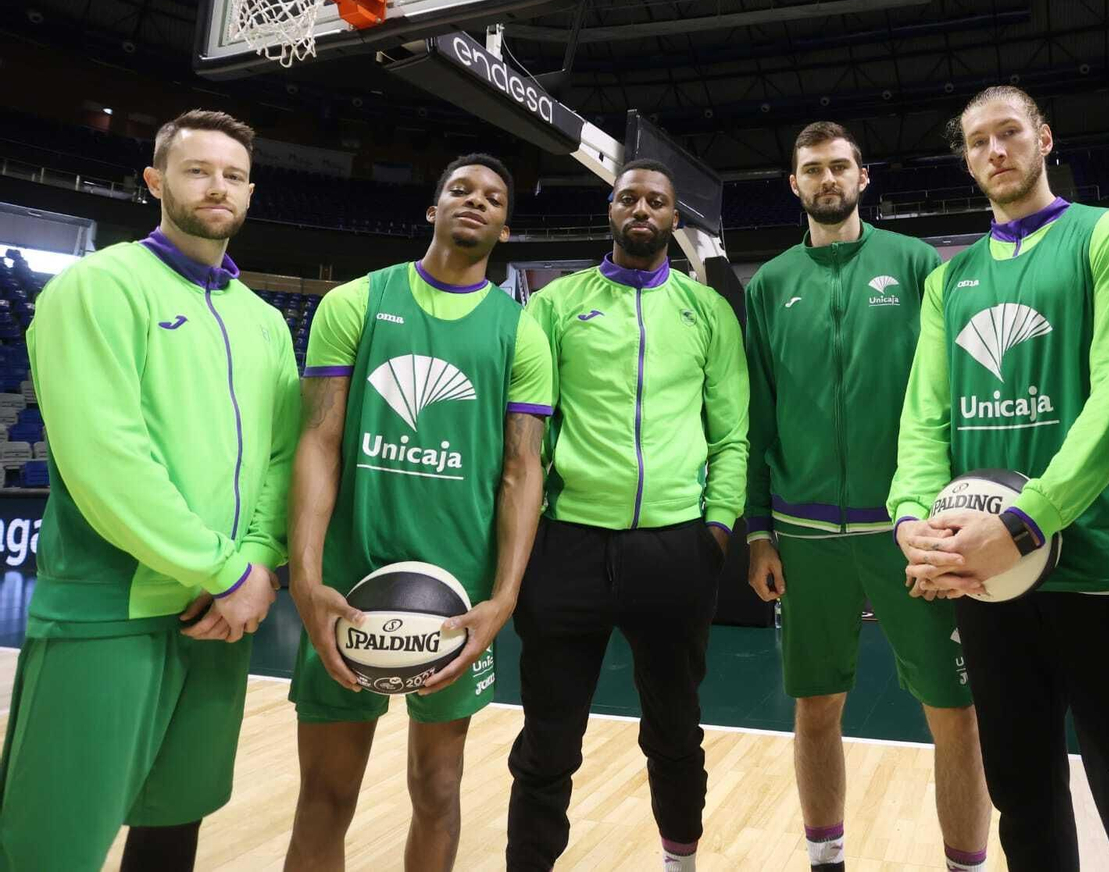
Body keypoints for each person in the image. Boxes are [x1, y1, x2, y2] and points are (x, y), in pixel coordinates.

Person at [891, 87, 1109, 872]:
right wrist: (913, 523)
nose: (995, 151)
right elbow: (925, 419)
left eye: (1009, 134)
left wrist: (1028, 521)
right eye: (977, 142)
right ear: (966, 159)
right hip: (991, 583)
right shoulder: (946, 280)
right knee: (1022, 803)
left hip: (1107, 572)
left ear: (1044, 139)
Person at [0, 110, 296, 871]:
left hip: (220, 617)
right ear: (156, 182)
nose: (217, 186)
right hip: (113, 609)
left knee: (176, 823)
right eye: (198, 170)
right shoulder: (98, 287)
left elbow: (279, 458)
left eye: (233, 175)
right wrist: (227, 571)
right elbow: (108, 461)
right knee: (50, 840)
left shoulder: (264, 322)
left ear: (250, 192)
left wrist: (258, 565)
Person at [284, 154, 550, 872]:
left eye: (493, 196)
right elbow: (318, 440)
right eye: (459, 188)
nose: (476, 201)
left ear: (504, 226)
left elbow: (523, 471)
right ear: (432, 210)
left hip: (456, 600)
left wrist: (503, 598)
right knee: (325, 796)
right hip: (346, 585)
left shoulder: (520, 331)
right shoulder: (355, 303)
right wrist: (303, 579)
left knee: (438, 789)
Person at [744, 122, 990, 872]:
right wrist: (758, 529)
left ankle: (966, 864)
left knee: (955, 711)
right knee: (816, 708)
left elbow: (952, 391)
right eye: (812, 168)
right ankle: (826, 860)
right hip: (805, 533)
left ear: (863, 174)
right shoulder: (769, 284)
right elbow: (756, 413)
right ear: (795, 184)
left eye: (840, 165)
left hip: (910, 529)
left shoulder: (916, 263)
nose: (827, 179)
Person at [506, 159, 748, 872]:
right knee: (549, 737)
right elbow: (529, 433)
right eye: (627, 198)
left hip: (676, 549)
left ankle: (681, 859)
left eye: (657, 201)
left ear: (676, 221)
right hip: (570, 545)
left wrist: (717, 526)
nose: (641, 208)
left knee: (674, 729)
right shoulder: (552, 304)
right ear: (610, 212)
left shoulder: (706, 311)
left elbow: (731, 431)